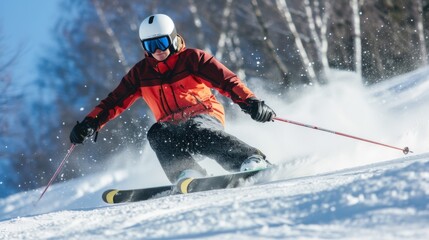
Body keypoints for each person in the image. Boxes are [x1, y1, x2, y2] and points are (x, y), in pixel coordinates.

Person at [70, 14, 276, 183]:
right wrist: (91, 123)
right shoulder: (141, 74)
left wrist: (250, 102)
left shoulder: (193, 59)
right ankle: (186, 173)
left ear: (173, 38)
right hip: (171, 125)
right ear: (144, 48)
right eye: (151, 46)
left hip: (204, 115)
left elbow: (227, 81)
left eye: (161, 42)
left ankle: (249, 159)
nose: (158, 50)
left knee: (197, 129)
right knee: (156, 132)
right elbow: (114, 102)